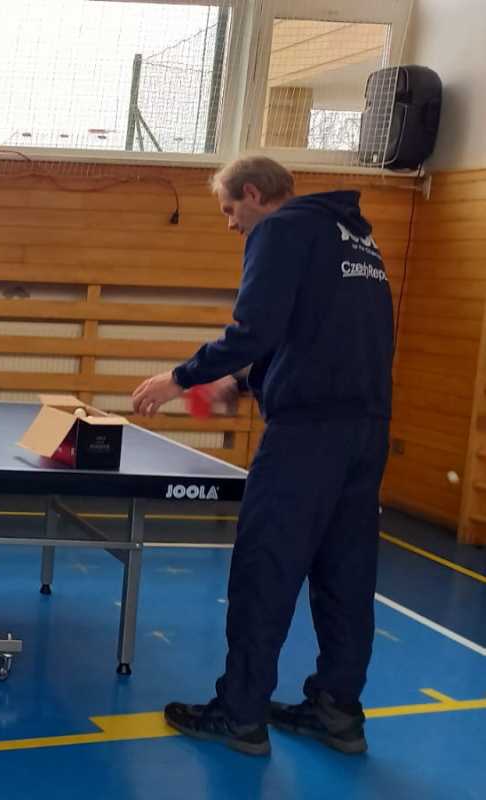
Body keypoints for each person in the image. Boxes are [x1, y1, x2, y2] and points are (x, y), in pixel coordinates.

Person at [131, 155, 394, 756]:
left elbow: (254, 329)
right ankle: (337, 711)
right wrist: (245, 383)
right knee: (346, 578)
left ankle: (240, 714)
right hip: (365, 434)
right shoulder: (355, 239)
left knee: (264, 570)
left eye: (230, 210)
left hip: (305, 439)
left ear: (253, 193)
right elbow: (320, 336)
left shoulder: (280, 229)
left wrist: (180, 378)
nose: (231, 224)